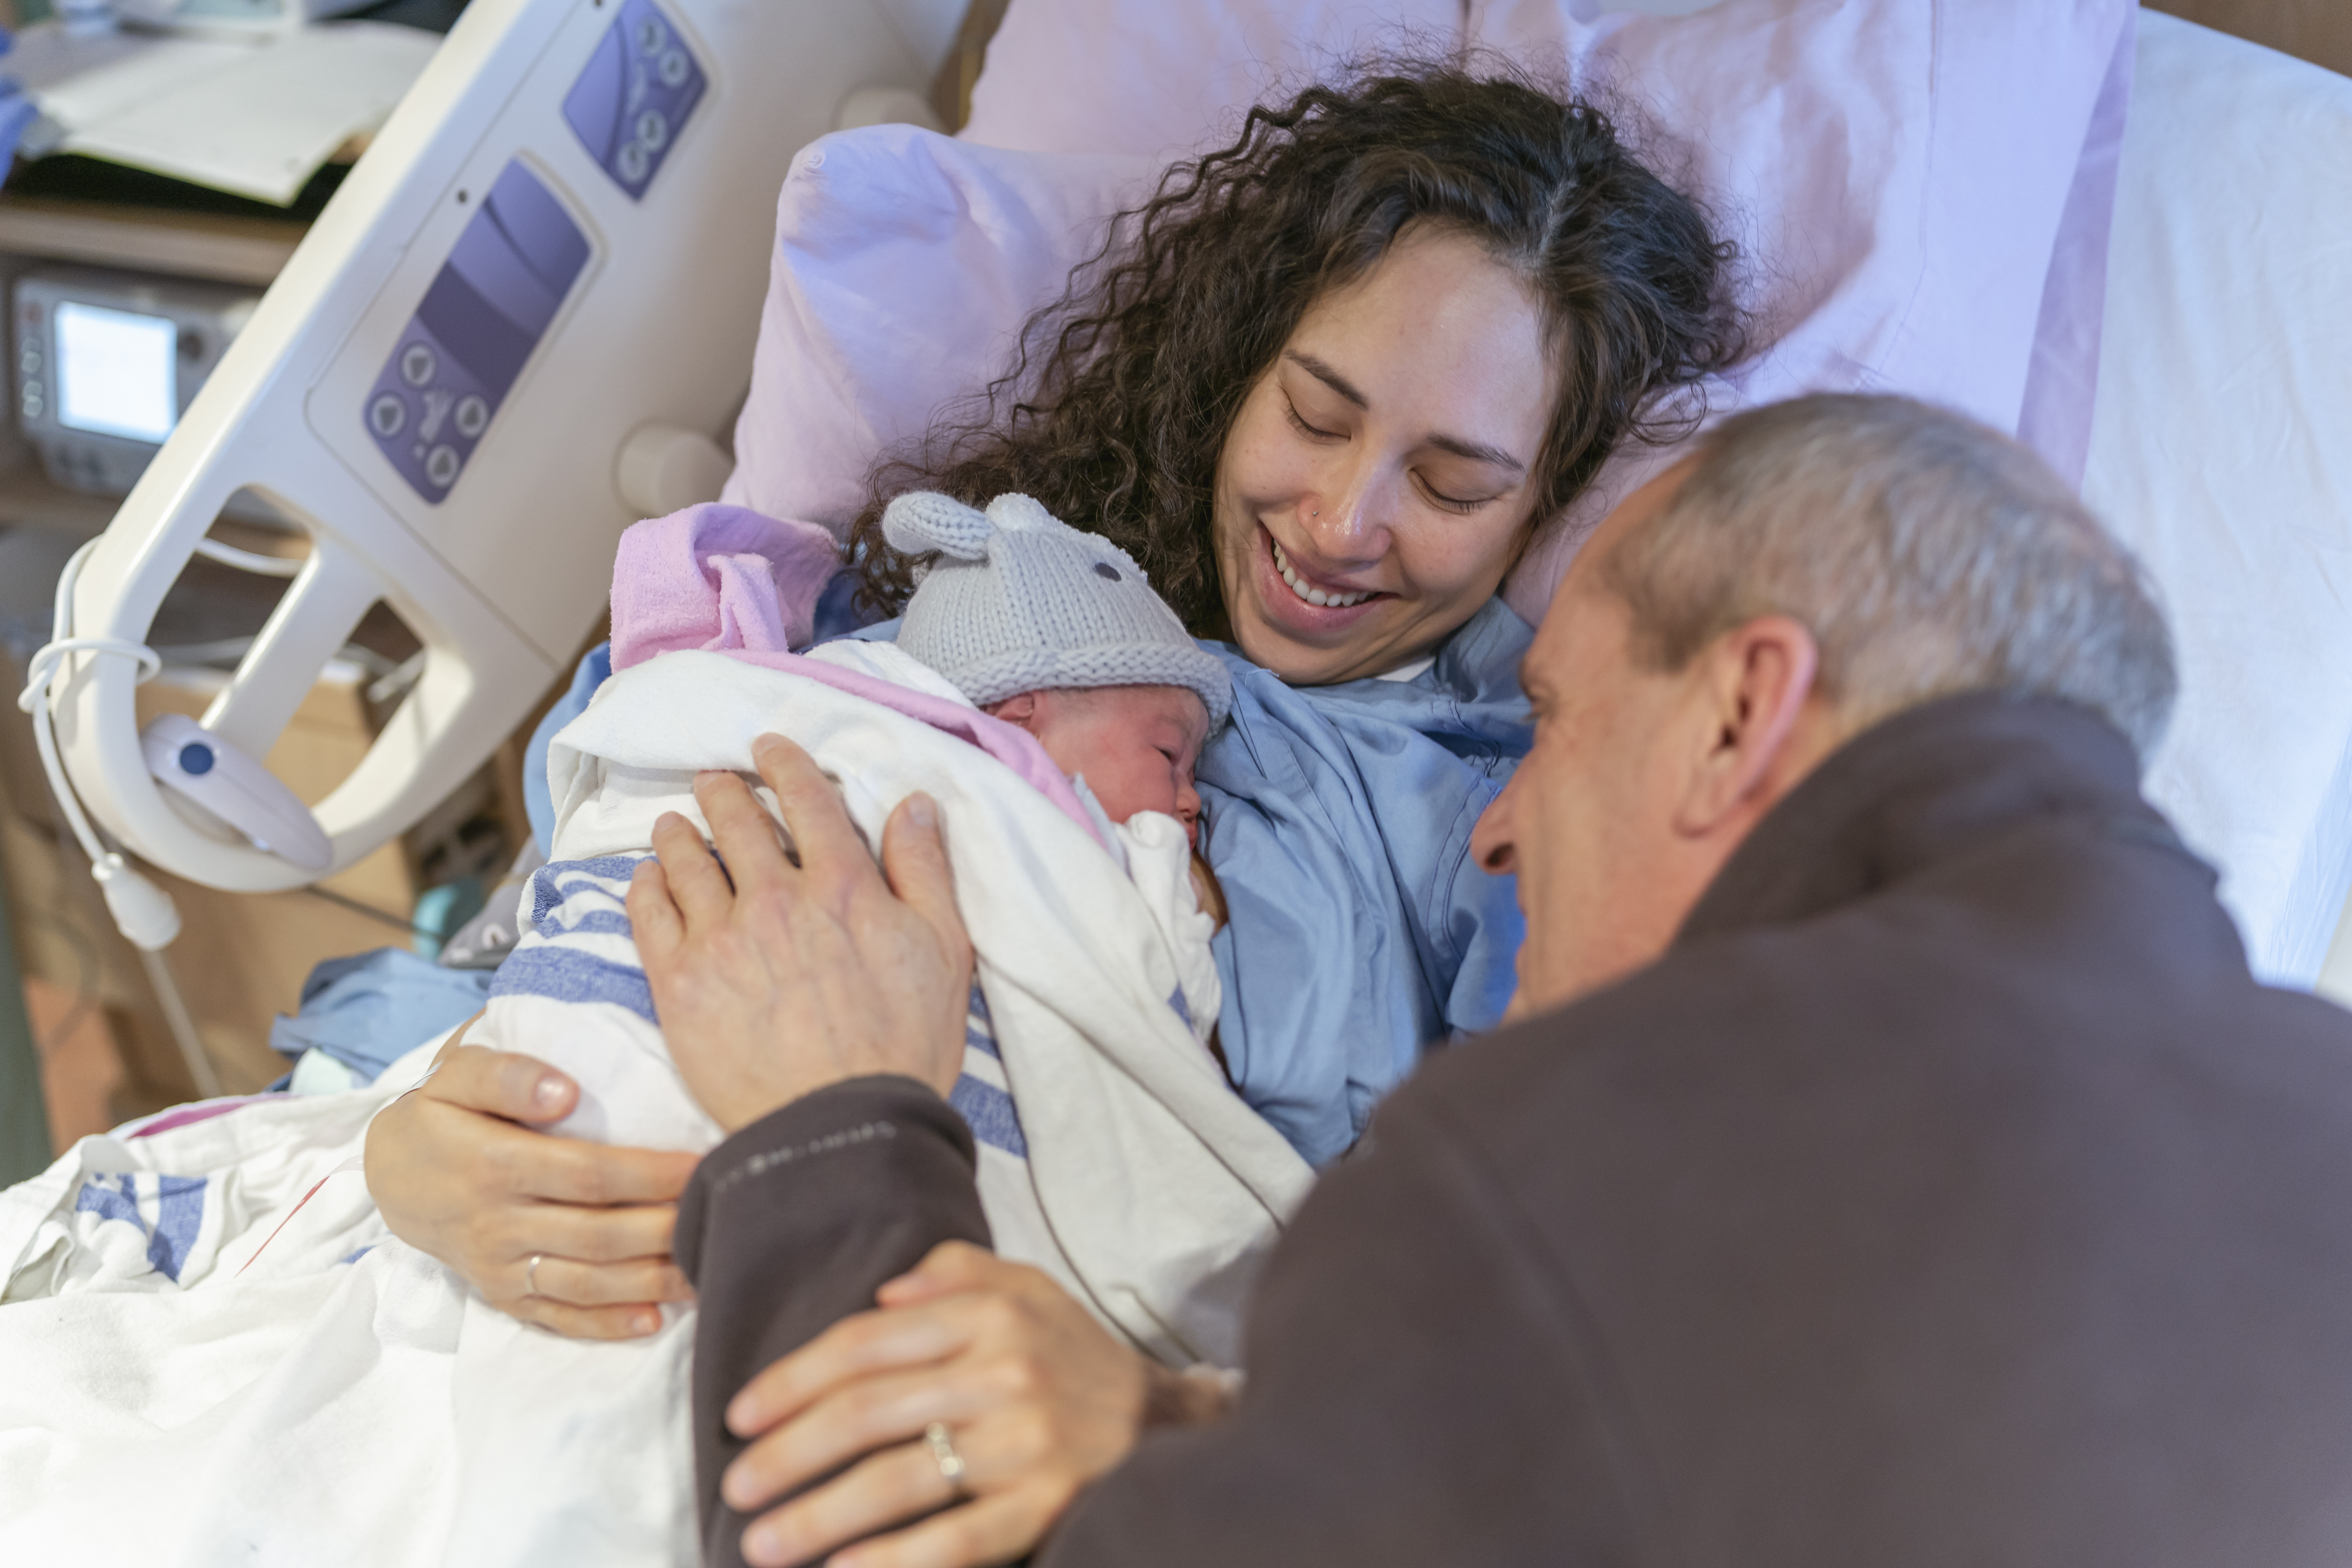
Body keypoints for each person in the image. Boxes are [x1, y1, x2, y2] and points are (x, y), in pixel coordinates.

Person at [642, 395, 2352, 1568]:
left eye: (1553, 716)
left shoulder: (1575, 1155)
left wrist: (827, 1134)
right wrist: (1201, 1430)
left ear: (1745, 710)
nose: (1498, 832)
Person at [363, 64, 1745, 1338]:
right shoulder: (936, 627)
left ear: (1545, 508)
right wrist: (406, 1150)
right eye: (1316, 418)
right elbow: (551, 926)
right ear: (1240, 370)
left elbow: (1488, 1311)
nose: (1339, 522)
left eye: (1451, 485)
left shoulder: (1499, 826)